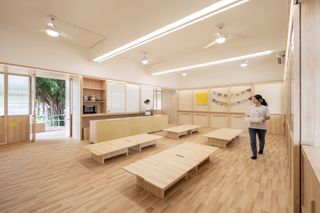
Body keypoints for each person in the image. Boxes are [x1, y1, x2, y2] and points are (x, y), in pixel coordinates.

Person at [246, 94, 270, 160]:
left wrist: (263, 119)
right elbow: (248, 116)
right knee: (252, 141)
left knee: (261, 140)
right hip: (251, 127)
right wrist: (248, 119)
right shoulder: (250, 107)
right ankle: (254, 154)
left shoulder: (265, 108)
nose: (253, 100)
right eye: (253, 99)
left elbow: (268, 117)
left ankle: (261, 149)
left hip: (262, 127)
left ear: (259, 100)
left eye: (255, 99)